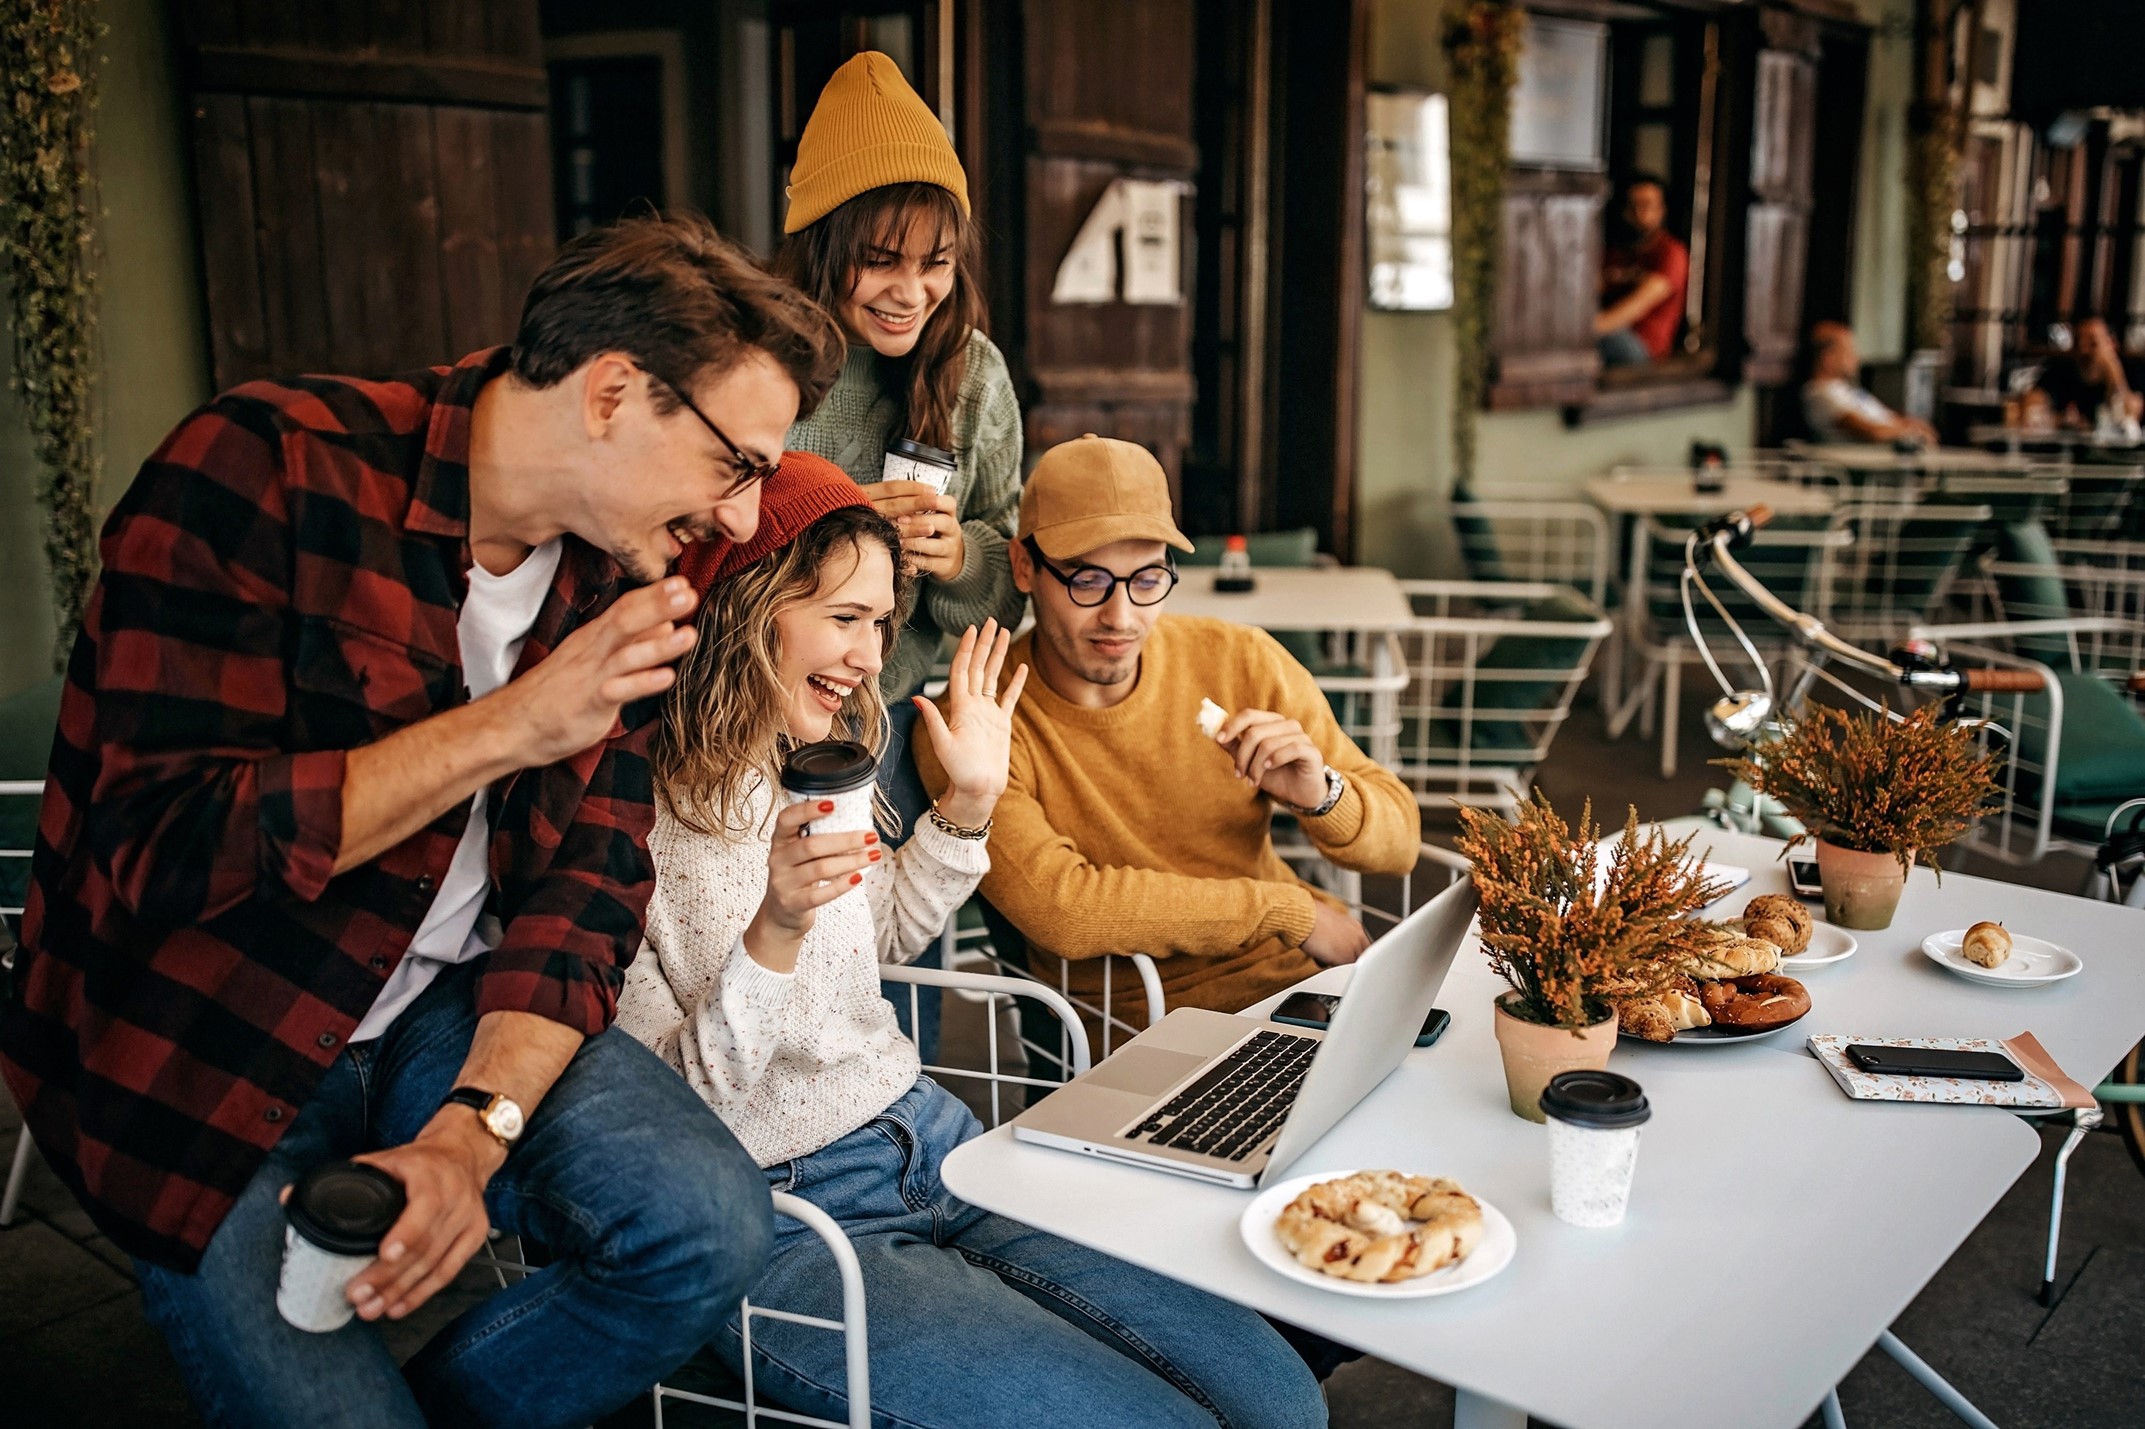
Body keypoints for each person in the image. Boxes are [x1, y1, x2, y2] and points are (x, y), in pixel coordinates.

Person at [0, 214, 845, 1429]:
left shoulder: (621, 572)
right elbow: (160, 850)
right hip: (213, 1031)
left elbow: (592, 888)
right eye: (738, 464)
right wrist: (512, 724)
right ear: (613, 391)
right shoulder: (265, 467)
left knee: (707, 1229)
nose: (741, 514)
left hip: (448, 1020)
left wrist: (473, 1130)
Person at [617, 455, 1327, 1429]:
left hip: (935, 1135)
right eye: (843, 618)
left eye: (878, 623)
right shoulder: (627, 822)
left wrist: (966, 806)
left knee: (1285, 1402)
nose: (869, 657)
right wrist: (773, 930)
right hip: (789, 1213)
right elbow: (668, 1120)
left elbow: (878, 941)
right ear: (748, 605)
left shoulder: (813, 761)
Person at [914, 434, 1422, 1028]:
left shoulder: (1239, 659)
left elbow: (1401, 842)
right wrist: (1291, 912)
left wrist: (1322, 794)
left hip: (1312, 986)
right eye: (1087, 581)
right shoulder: (974, 722)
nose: (1121, 617)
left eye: (1148, 578)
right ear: (1025, 567)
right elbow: (1065, 908)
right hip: (1145, 1030)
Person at [1595, 174, 1689, 367]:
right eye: (1632, 206)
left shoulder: (1671, 252)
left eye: (1646, 205)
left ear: (1661, 209)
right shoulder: (1615, 250)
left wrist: (1588, 329)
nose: (1639, 213)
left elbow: (1637, 306)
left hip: (1644, 350)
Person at [1802, 320, 1938, 445]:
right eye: (1848, 351)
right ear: (1829, 358)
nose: (1856, 357)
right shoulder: (1821, 394)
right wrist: (1911, 430)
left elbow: (1886, 419)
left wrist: (1912, 425)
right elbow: (1873, 432)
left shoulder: (1846, 389)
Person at [2036, 317, 2145, 432]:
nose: (2084, 350)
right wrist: (2058, 419)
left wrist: (2113, 371)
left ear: (2111, 344)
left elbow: (2130, 417)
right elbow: (2032, 405)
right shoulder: (2061, 369)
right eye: (2078, 342)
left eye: (2093, 343)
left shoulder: (2133, 370)